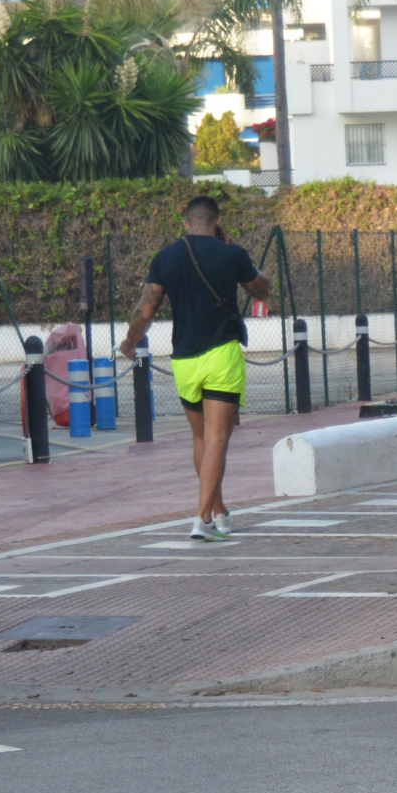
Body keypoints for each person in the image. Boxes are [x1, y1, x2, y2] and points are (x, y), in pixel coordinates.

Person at [119, 196, 271, 541]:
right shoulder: (232, 254)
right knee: (218, 438)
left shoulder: (166, 257)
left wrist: (129, 344)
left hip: (184, 359)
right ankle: (201, 519)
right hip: (221, 355)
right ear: (217, 221)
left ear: (186, 223)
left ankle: (220, 512)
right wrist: (236, 253)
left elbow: (145, 309)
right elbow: (261, 290)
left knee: (201, 438)